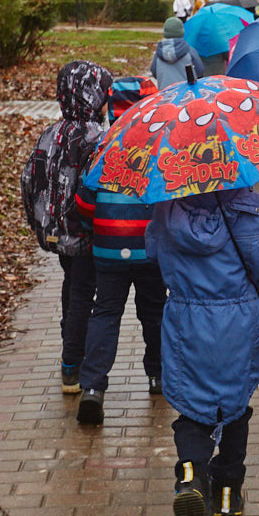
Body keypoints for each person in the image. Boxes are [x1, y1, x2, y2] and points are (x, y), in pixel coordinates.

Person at [146, 187, 259, 516]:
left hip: (185, 322)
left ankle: (189, 475)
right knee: (234, 408)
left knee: (192, 406)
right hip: (240, 323)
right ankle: (227, 497)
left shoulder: (166, 208)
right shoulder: (257, 208)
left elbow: (153, 252)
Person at [74, 85, 166, 426]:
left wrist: (94, 227)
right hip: (149, 247)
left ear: (113, 111)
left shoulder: (104, 147)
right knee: (154, 312)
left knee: (105, 313)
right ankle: (158, 375)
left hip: (108, 247)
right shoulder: (162, 148)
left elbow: (84, 200)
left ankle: (93, 387)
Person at [49, 60, 114, 394]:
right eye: (103, 94)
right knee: (83, 293)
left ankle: (69, 346)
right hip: (87, 232)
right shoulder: (95, 138)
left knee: (72, 284)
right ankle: (72, 364)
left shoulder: (53, 134)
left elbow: (32, 180)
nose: (106, 101)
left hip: (59, 232)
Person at [150, 17, 205, 89]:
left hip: (165, 92)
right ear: (182, 31)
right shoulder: (189, 51)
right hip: (186, 92)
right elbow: (200, 71)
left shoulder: (158, 53)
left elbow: (154, 72)